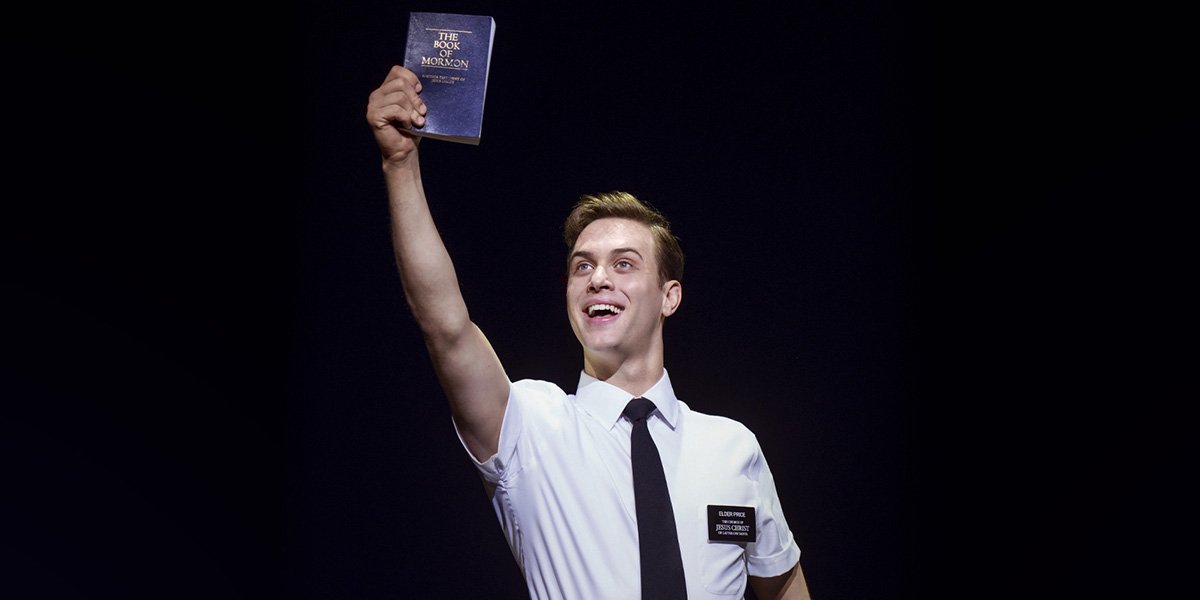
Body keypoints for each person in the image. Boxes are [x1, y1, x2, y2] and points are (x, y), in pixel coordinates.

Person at [365, 65, 812, 600]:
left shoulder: (733, 446)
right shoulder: (530, 426)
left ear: (670, 296)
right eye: (582, 266)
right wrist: (400, 162)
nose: (598, 278)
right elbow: (446, 325)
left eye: (623, 264)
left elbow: (782, 580)